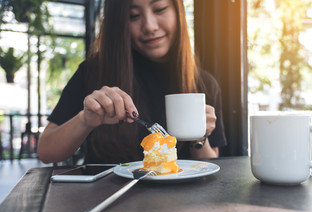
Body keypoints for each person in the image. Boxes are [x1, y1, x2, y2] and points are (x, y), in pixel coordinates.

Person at [37, 0, 227, 164]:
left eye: (160, 9)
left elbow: (209, 163)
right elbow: (46, 151)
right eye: (133, 15)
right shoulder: (94, 71)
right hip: (106, 200)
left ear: (178, 12)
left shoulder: (203, 83)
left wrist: (199, 137)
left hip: (180, 202)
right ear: (119, 23)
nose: (150, 26)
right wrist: (85, 120)